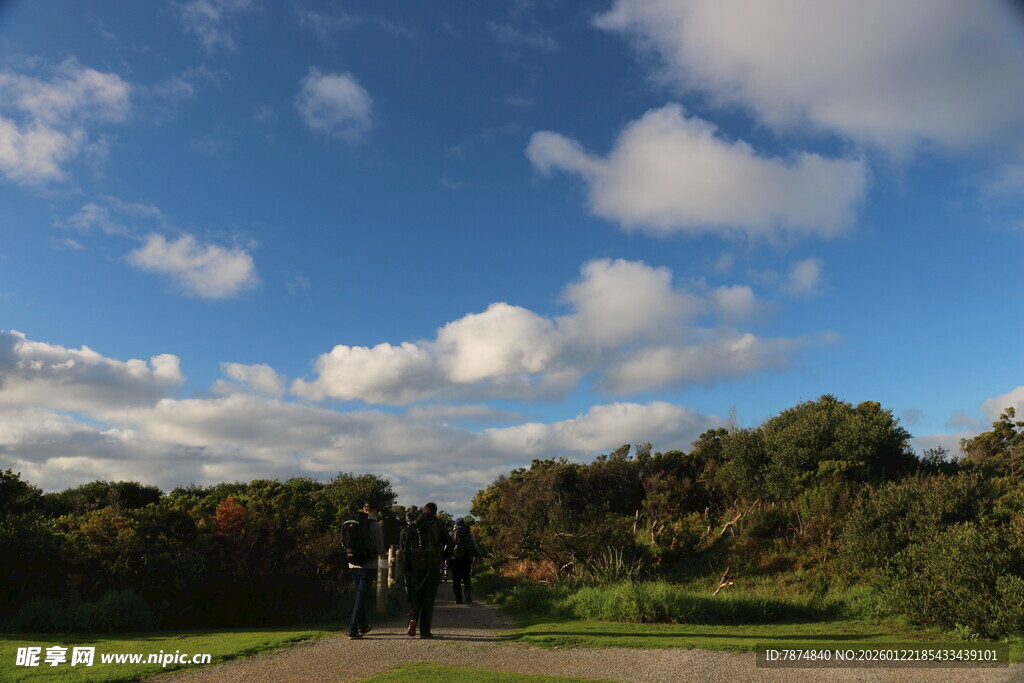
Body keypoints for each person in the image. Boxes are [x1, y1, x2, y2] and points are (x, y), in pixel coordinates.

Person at [402, 502, 452, 639]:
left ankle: (412, 619)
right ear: (435, 512)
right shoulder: (438, 524)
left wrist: (407, 567)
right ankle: (425, 631)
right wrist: (442, 557)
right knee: (428, 597)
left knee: (416, 594)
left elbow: (406, 547)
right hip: (432, 563)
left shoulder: (414, 525)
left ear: (423, 511)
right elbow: (450, 542)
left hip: (415, 564)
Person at [346, 500, 385, 640]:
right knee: (361, 597)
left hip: (353, 564)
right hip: (368, 565)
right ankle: (352, 629)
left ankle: (363, 625)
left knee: (359, 595)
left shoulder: (352, 522)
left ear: (364, 509)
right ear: (375, 510)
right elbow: (380, 547)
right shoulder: (375, 525)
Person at [449, 517, 479, 604]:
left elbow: (447, 546)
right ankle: (467, 593)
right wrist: (476, 555)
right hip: (466, 558)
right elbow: (474, 545)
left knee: (456, 579)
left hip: (455, 559)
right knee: (466, 577)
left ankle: (458, 598)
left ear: (456, 524)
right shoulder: (468, 533)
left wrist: (446, 558)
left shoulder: (452, 533)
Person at [399, 509, 418, 604]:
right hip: (417, 557)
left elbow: (401, 546)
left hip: (407, 557)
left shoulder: (403, 530)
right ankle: (417, 596)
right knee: (417, 577)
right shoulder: (418, 530)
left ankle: (408, 596)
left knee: (407, 577)